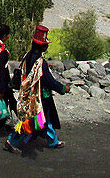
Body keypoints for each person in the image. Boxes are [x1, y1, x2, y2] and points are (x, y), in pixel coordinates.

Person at [5, 24, 68, 154]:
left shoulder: (28, 56)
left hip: (30, 94)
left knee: (45, 119)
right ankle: (12, 141)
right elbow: (49, 81)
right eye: (46, 44)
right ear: (43, 47)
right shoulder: (41, 63)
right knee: (33, 121)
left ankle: (53, 141)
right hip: (40, 97)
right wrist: (62, 88)